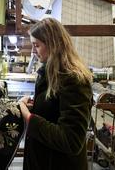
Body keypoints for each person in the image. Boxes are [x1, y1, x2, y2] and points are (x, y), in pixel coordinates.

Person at [18, 18, 93, 170]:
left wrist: (29, 118)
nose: (33, 51)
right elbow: (54, 110)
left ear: (53, 44)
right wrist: (36, 106)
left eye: (36, 45)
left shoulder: (74, 79)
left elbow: (71, 140)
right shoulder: (50, 73)